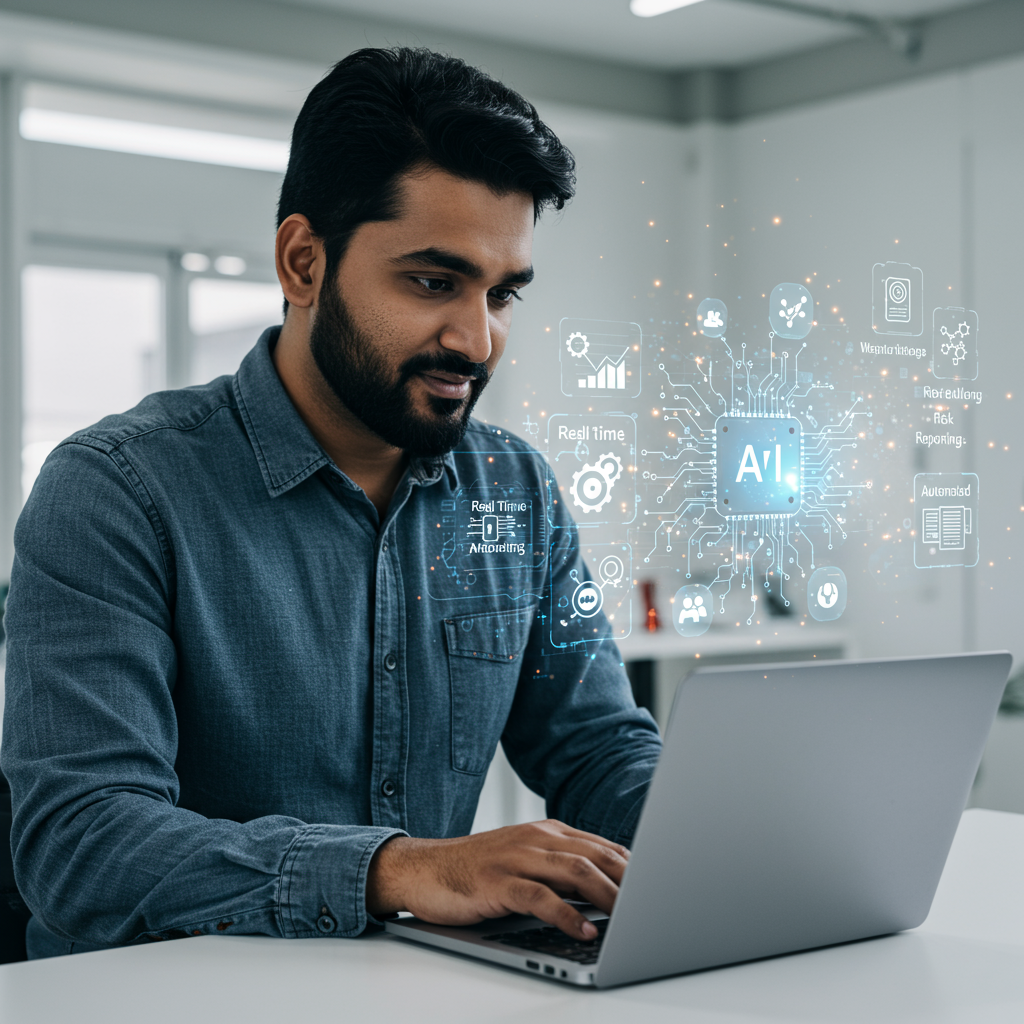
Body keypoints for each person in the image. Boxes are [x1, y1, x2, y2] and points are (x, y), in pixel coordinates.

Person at [1, 47, 661, 959]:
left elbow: (597, 751)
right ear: (304, 262)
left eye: (502, 293)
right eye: (433, 282)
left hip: (413, 990)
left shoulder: (517, 493)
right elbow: (79, 842)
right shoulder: (117, 491)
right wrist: (399, 870)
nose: (477, 339)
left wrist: (719, 837)